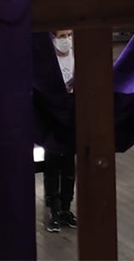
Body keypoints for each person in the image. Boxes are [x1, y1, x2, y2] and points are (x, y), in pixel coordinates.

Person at [44, 29, 78, 233]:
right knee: (52, 166)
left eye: (69, 35)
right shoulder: (47, 60)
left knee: (68, 167)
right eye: (61, 36)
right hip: (53, 119)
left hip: (72, 117)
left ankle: (66, 207)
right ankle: (53, 209)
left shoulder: (76, 57)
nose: (66, 40)